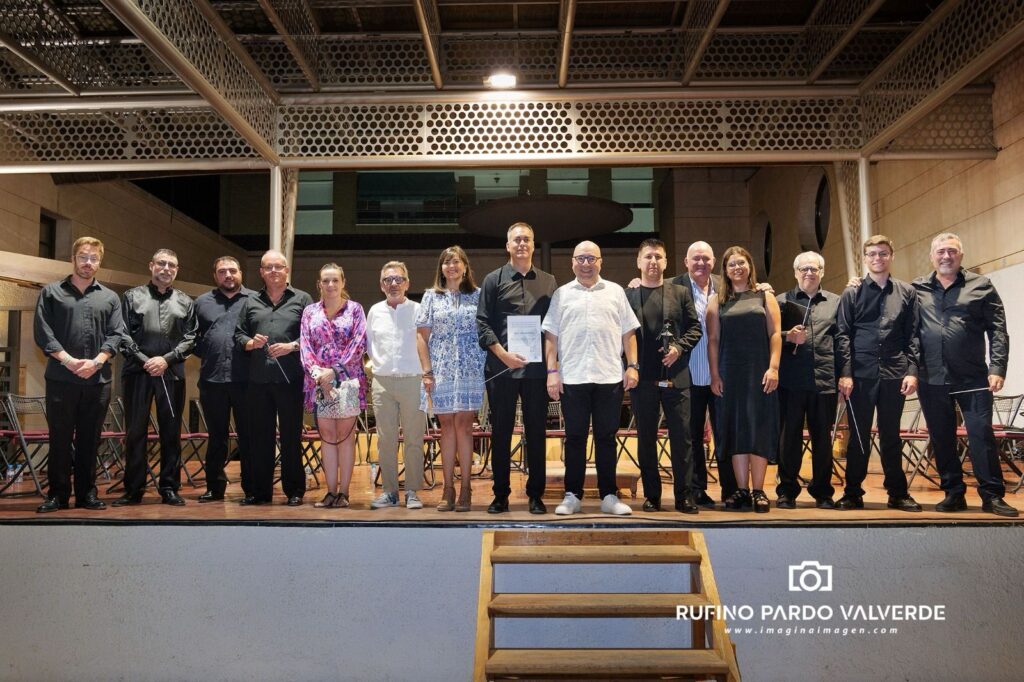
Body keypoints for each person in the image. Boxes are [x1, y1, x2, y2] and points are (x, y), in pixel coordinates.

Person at [913, 233, 1017, 517]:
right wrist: (857, 284)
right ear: (932, 256)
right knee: (941, 437)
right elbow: (897, 315)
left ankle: (992, 496)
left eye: (952, 251)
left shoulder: (981, 285)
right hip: (931, 376)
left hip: (973, 377)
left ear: (961, 255)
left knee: (981, 435)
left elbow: (998, 330)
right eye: (941, 252)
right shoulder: (916, 288)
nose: (946, 256)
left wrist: (997, 367)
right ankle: (953, 493)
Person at [543, 241, 640, 516]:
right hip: (573, 378)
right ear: (572, 262)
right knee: (574, 438)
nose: (586, 264)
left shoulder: (616, 292)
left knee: (606, 438)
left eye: (591, 258)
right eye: (581, 258)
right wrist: (552, 371)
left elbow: (629, 333)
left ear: (600, 262)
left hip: (609, 376)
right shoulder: (561, 294)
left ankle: (609, 495)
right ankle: (572, 495)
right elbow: (551, 336)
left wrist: (632, 366)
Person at [32, 237, 124, 513]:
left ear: (100, 262)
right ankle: (57, 496)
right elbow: (43, 332)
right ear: (73, 259)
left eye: (94, 258)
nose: (88, 263)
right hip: (61, 379)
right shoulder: (51, 293)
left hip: (98, 380)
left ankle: (87, 495)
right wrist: (69, 361)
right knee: (59, 438)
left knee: (90, 439)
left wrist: (96, 362)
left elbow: (116, 334)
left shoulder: (110, 297)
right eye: (83, 257)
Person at [835, 235, 922, 512]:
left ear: (891, 256)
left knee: (891, 436)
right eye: (872, 254)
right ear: (865, 258)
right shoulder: (852, 293)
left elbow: (913, 335)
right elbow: (843, 334)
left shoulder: (907, 292)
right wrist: (845, 373)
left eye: (883, 253)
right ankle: (852, 493)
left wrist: (912, 371)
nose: (877, 258)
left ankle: (897, 493)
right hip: (860, 375)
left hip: (895, 372)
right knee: (858, 436)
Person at [476, 222, 557, 514]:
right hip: (502, 369)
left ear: (533, 244)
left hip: (536, 372)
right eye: (516, 240)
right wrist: (503, 355)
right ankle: (500, 495)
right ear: (508, 246)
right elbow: (482, 323)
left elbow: (553, 327)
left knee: (536, 433)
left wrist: (552, 368)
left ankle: (536, 495)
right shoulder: (493, 280)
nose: (522, 244)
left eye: (526, 239)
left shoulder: (549, 281)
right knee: (501, 432)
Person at [114, 248, 196, 507]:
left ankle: (169, 488)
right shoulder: (131, 297)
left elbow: (191, 338)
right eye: (161, 263)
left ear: (177, 270)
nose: (166, 268)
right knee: (135, 432)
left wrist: (166, 360)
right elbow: (121, 334)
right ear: (151, 266)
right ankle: (133, 490)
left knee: (171, 432)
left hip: (171, 373)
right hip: (137, 373)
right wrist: (145, 361)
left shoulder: (186, 301)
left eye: (172, 265)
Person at [625, 239, 703, 514]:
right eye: (648, 256)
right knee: (646, 439)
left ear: (666, 262)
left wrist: (679, 348)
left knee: (683, 438)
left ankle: (684, 496)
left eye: (658, 257)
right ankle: (652, 496)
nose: (653, 262)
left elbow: (695, 328)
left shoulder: (680, 293)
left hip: (676, 377)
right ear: (639, 261)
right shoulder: (628, 295)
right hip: (643, 379)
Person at [235, 250, 314, 506]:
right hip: (258, 380)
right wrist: (251, 342)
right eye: (268, 267)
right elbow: (238, 334)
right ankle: (260, 492)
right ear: (261, 272)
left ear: (286, 270)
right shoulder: (250, 301)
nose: (273, 271)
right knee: (260, 438)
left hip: (291, 380)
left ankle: (294, 490)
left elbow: (313, 335)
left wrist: (292, 346)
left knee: (291, 437)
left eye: (278, 267)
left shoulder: (302, 299)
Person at [707, 246, 781, 513]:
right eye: (732, 264)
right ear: (725, 271)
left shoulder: (764, 296)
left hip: (760, 372)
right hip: (730, 373)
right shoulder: (717, 300)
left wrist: (774, 368)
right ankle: (742, 490)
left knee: (758, 428)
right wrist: (715, 374)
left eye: (741, 263)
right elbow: (713, 340)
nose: (737, 268)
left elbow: (775, 334)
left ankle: (759, 490)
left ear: (750, 266)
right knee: (736, 429)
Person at [416, 246, 486, 512]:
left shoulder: (478, 295)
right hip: (441, 368)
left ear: (465, 267)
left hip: (470, 368)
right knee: (446, 427)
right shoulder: (431, 296)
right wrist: (427, 371)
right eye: (446, 262)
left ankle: (466, 488)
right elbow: (421, 337)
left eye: (456, 261)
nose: (451, 266)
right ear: (441, 268)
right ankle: (448, 488)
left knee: (465, 426)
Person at [670, 242, 739, 508]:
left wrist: (764, 288)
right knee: (692, 437)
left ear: (714, 261)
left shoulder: (726, 285)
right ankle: (697, 489)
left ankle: (731, 490)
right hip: (688, 375)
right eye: (696, 258)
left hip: (721, 374)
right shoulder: (671, 287)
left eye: (706, 259)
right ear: (686, 262)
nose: (701, 263)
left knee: (725, 433)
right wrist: (634, 283)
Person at [775, 252, 841, 510]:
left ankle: (823, 492)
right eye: (804, 269)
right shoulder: (781, 301)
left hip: (824, 380)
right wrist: (787, 336)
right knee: (788, 439)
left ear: (822, 272)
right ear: (795, 272)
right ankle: (787, 491)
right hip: (790, 381)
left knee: (823, 440)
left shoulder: (836, 302)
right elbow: (768, 336)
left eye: (814, 269)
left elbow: (842, 340)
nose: (809, 273)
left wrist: (844, 374)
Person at [300, 263, 367, 509]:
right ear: (319, 284)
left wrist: (334, 372)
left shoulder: (355, 310)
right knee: (327, 437)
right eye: (326, 281)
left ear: (343, 282)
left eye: (335, 280)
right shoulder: (310, 312)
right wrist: (319, 374)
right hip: (319, 383)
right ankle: (330, 492)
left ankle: (344, 493)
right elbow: (305, 345)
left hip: (347, 381)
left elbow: (359, 344)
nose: (330, 285)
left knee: (345, 438)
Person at [193, 256, 255, 503]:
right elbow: (192, 337)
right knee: (216, 438)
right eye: (222, 271)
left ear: (240, 273)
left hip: (246, 381)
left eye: (232, 270)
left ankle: (251, 488)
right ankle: (214, 488)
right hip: (212, 380)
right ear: (215, 275)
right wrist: (211, 350)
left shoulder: (254, 300)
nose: (228, 275)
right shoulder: (201, 302)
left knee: (248, 437)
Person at [366, 261, 427, 510]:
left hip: (413, 380)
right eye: (388, 280)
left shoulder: (418, 310)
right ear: (381, 285)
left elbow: (426, 343)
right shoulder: (374, 311)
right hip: (382, 382)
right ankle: (390, 492)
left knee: (414, 439)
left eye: (398, 279)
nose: (394, 284)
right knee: (385, 440)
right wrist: (379, 368)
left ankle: (412, 491)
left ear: (407, 283)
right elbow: (370, 345)